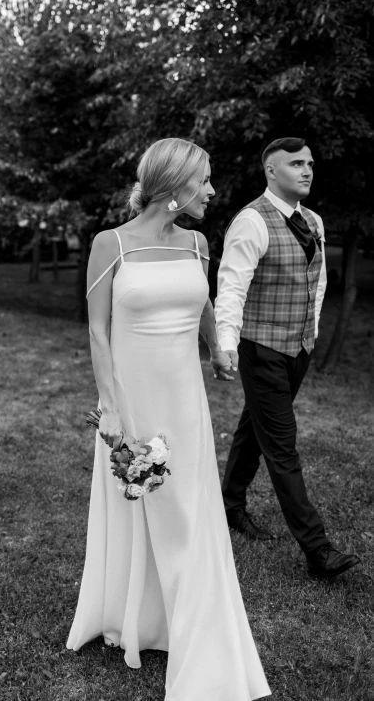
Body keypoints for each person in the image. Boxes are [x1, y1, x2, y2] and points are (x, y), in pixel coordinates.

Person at [67, 138, 271, 701]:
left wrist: (216, 348)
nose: (211, 191)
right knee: (138, 503)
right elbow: (98, 331)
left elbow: (201, 304)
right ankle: (140, 620)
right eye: (204, 181)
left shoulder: (199, 244)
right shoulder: (111, 245)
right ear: (174, 186)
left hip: (185, 402)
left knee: (187, 507)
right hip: (133, 400)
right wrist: (109, 407)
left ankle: (194, 618)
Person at [215, 137, 361, 579]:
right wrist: (225, 343)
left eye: (310, 163)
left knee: (253, 427)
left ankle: (229, 504)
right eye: (296, 163)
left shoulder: (313, 220)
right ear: (271, 171)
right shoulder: (251, 222)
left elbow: (314, 283)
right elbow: (232, 286)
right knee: (282, 446)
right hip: (261, 348)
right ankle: (318, 550)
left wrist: (311, 332)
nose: (307, 171)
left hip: (298, 346)